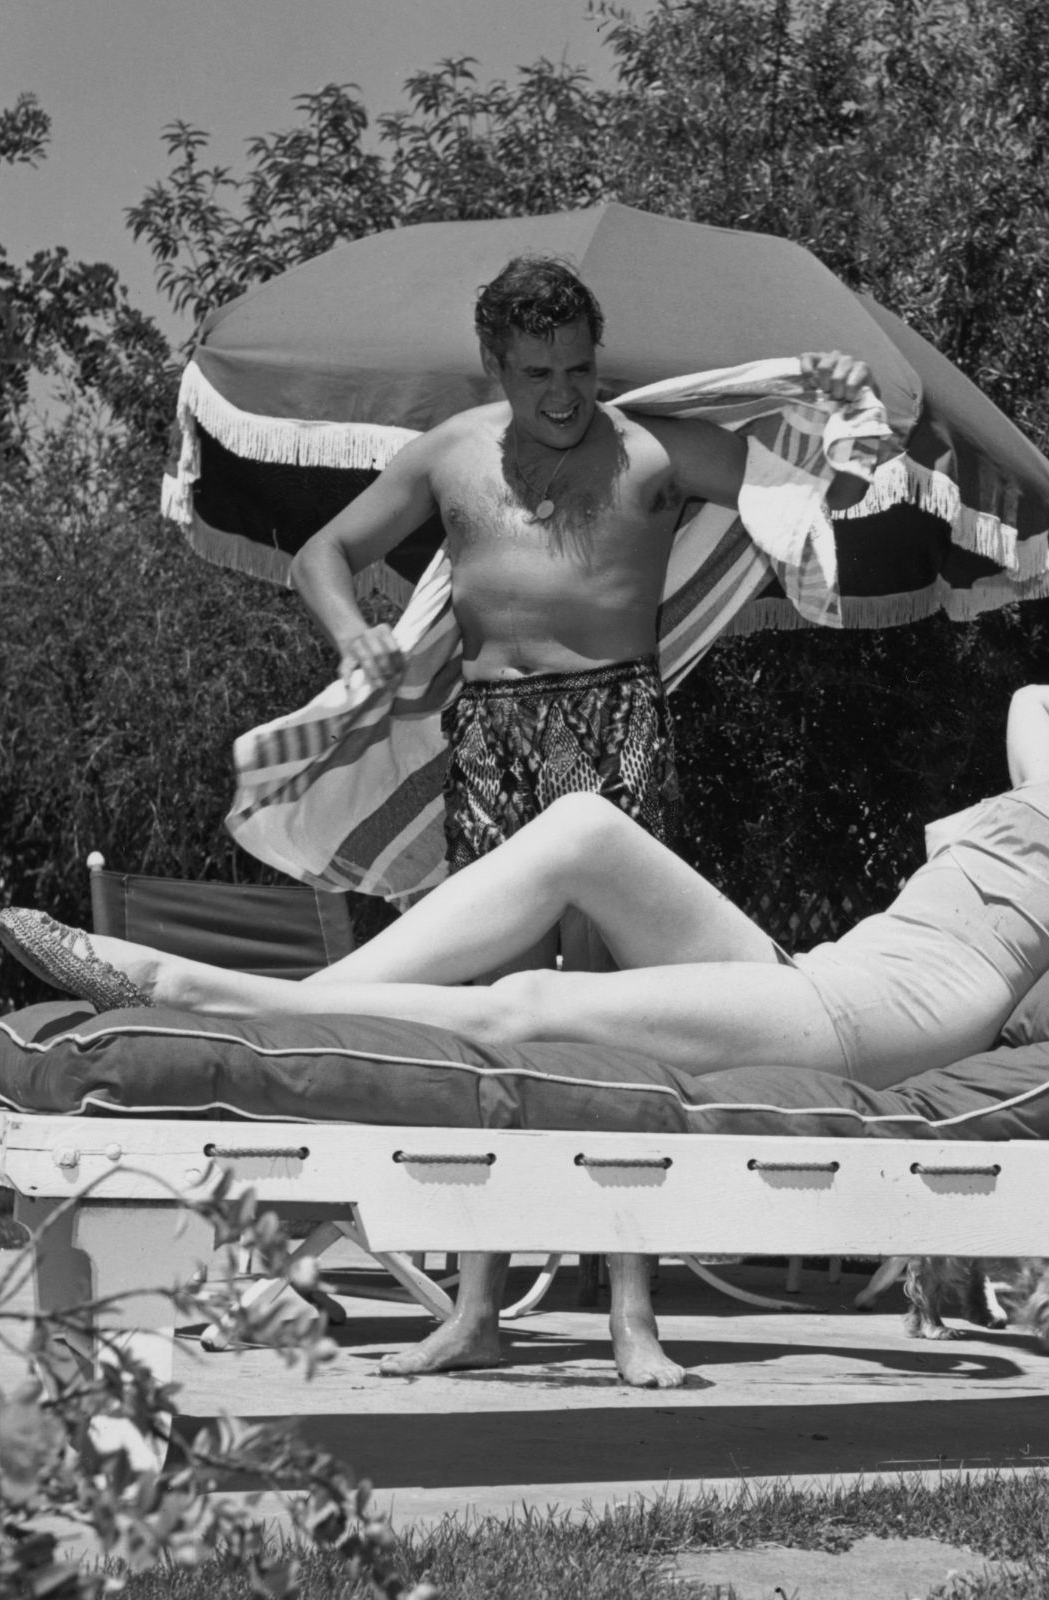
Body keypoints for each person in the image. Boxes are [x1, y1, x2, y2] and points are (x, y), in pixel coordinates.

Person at [0, 577, 1049, 1385]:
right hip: (836, 969)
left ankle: (224, 1000)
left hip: (891, 1010)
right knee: (578, 834)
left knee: (538, 1014)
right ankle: (290, 1002)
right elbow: (1032, 696)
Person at [276, 254, 875, 1385]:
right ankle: (475, 1308)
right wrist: (350, 629)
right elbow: (325, 553)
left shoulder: (653, 451)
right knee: (476, 1028)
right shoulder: (451, 454)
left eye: (579, 368)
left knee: (614, 1031)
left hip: (616, 738)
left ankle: (632, 1315)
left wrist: (834, 409)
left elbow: (804, 478)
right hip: (492, 737)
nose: (561, 393)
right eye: (536, 371)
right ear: (495, 365)